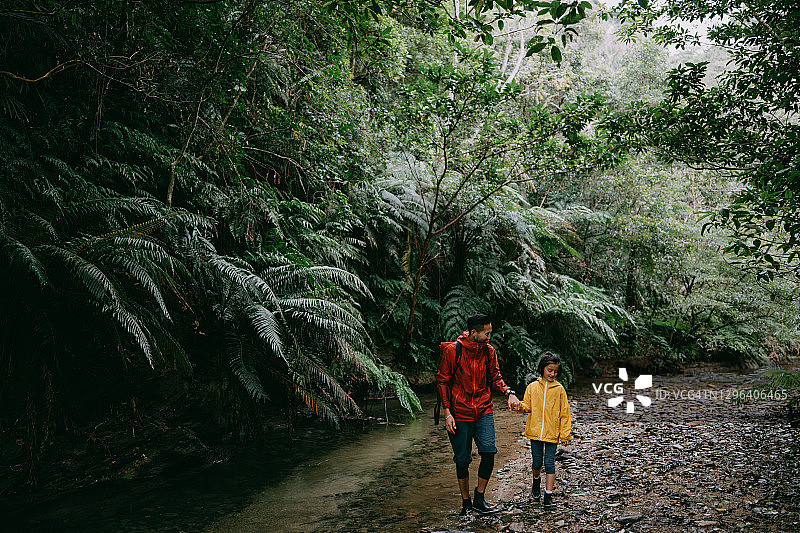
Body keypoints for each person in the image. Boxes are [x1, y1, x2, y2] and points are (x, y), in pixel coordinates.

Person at [436, 313, 520, 516]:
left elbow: (496, 376)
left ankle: (479, 498)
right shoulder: (452, 351)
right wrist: (447, 413)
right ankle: (466, 503)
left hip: (483, 409)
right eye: (487, 333)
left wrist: (509, 393)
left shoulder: (488, 351)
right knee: (462, 460)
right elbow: (442, 381)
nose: (490, 336)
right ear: (474, 333)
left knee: (489, 452)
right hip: (459, 412)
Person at [516, 352, 572, 510]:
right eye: (549, 370)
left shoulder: (560, 389)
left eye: (555, 371)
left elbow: (564, 413)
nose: (552, 374)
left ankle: (548, 496)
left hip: (552, 433)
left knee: (549, 463)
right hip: (535, 432)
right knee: (537, 462)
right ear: (542, 369)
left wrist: (565, 433)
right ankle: (536, 481)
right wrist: (518, 406)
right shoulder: (532, 387)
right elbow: (526, 406)